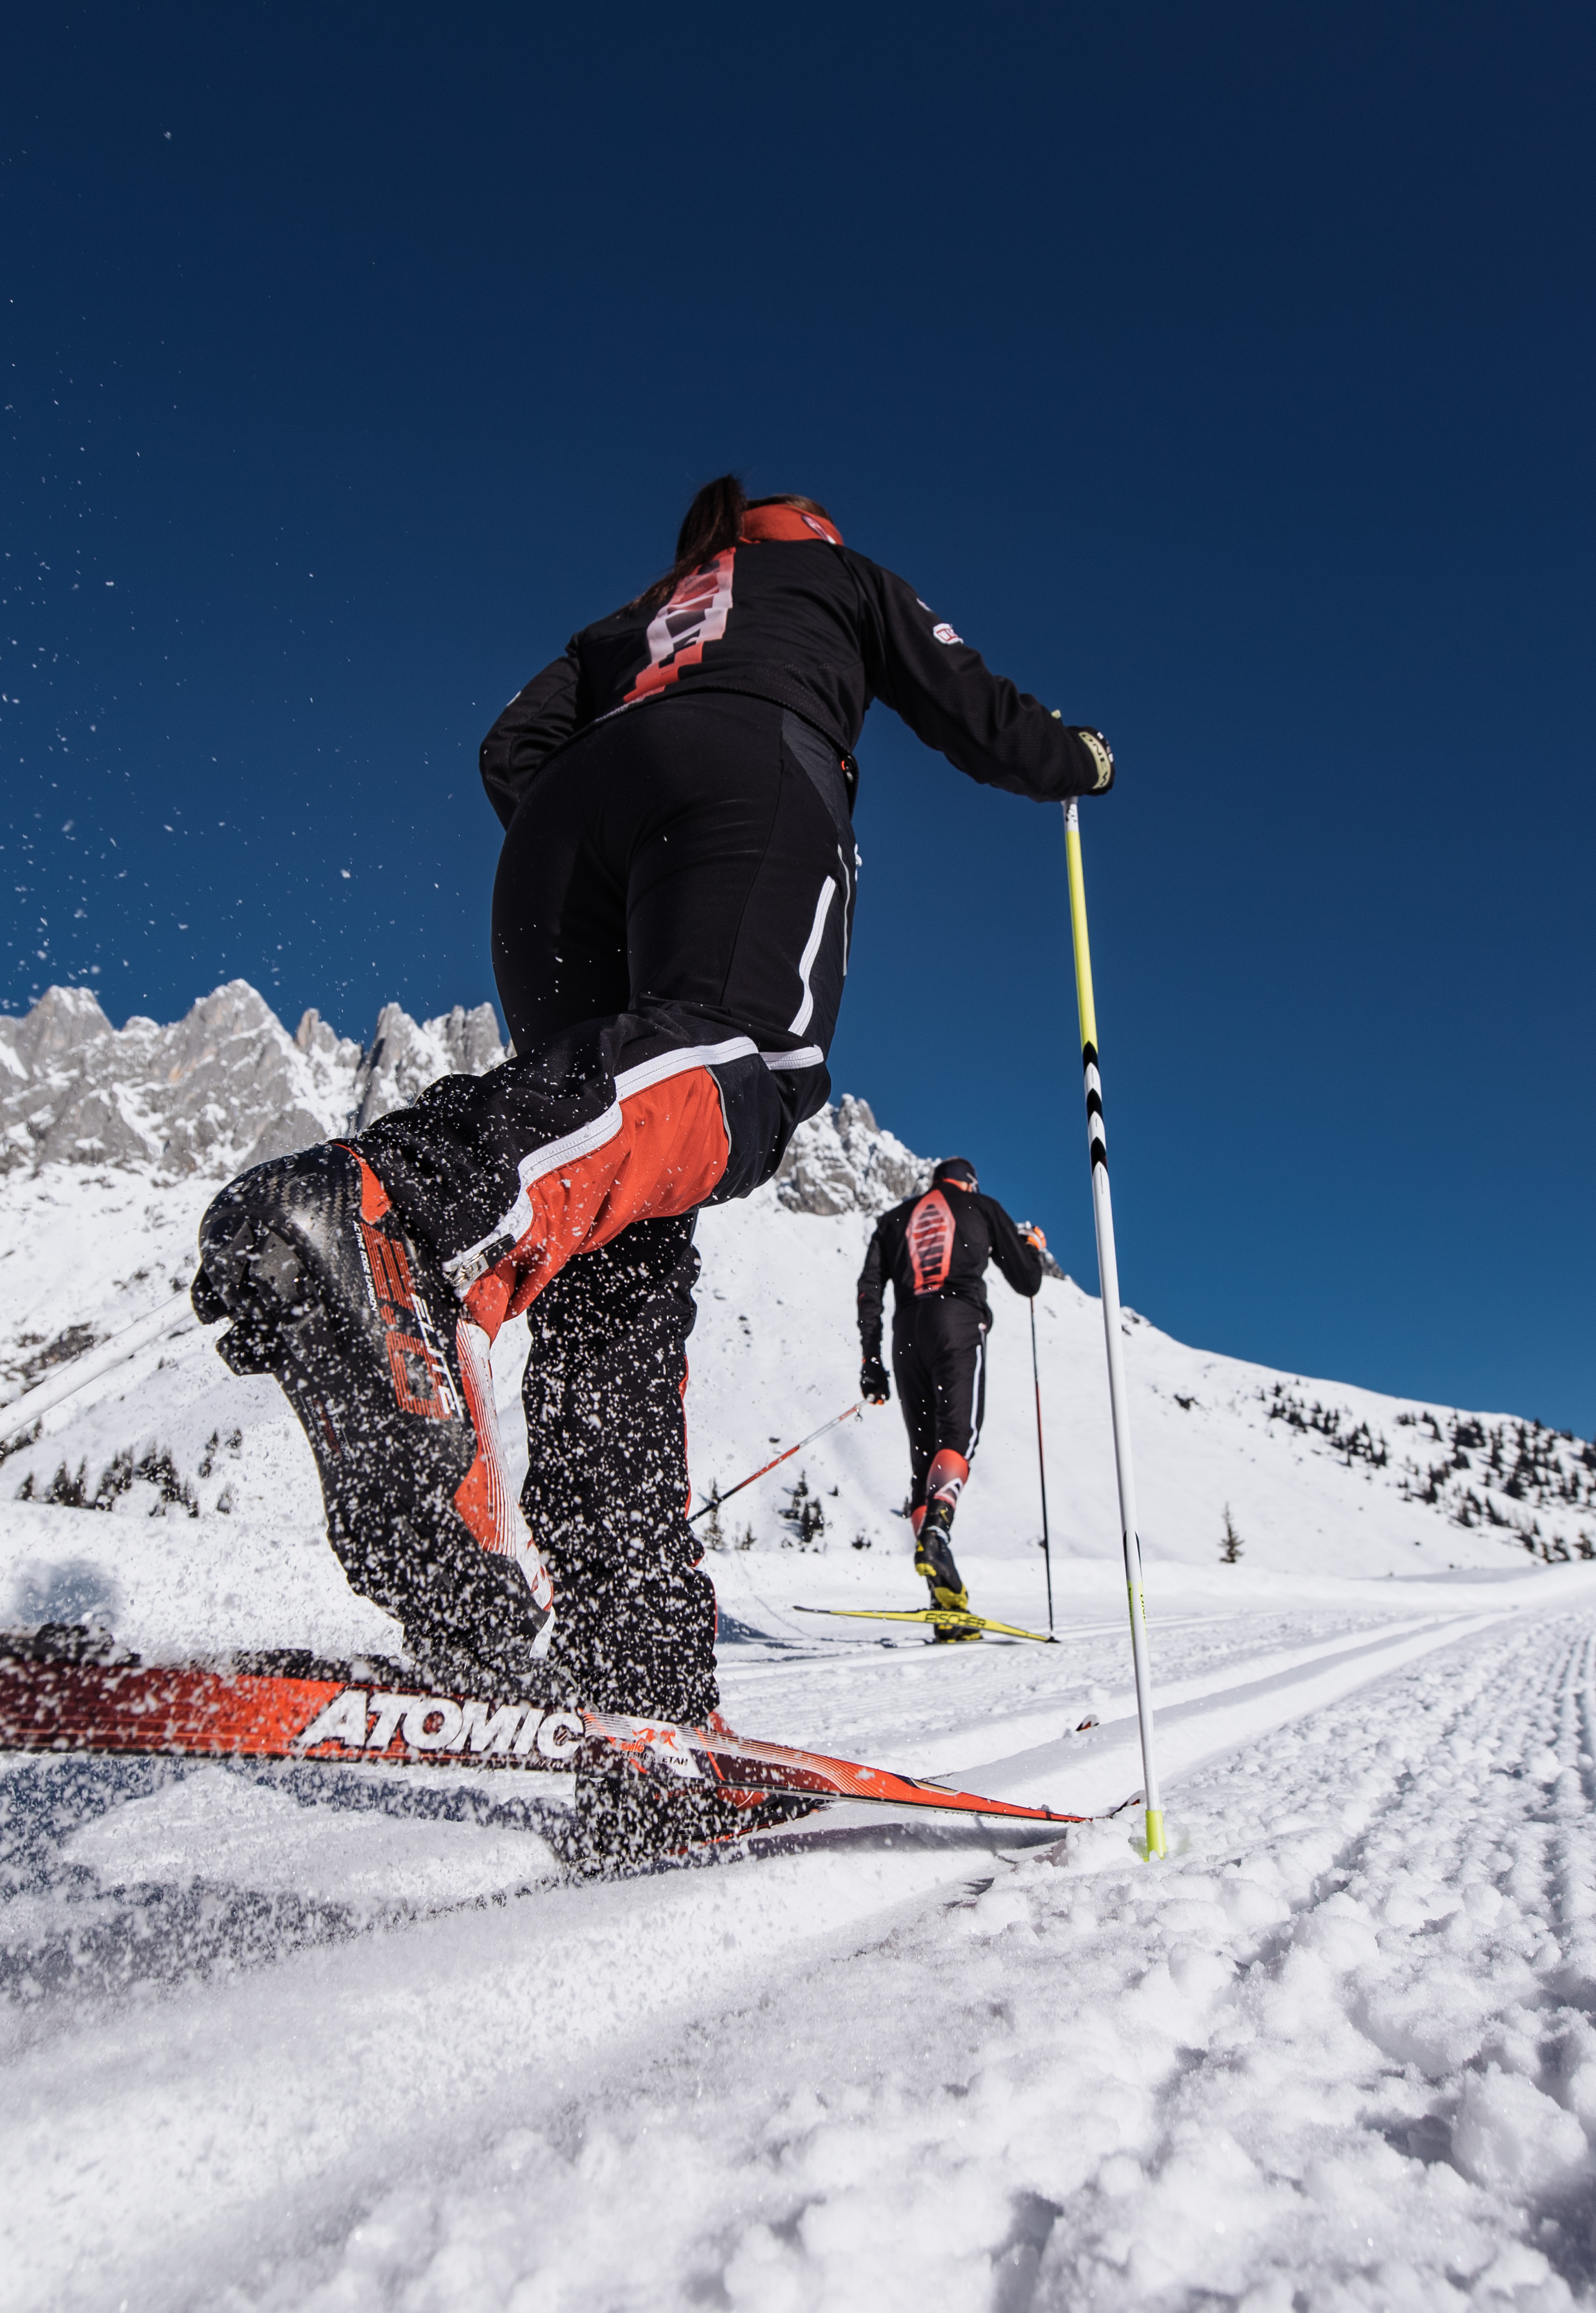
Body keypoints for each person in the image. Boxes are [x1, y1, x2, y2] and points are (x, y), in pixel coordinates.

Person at [190, 476, 1111, 1859]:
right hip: (742, 777)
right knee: (748, 1064)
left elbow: (511, 746)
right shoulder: (838, 579)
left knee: (614, 1217)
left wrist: (598, 827)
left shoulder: (632, 617)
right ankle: (396, 1213)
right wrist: (1079, 761)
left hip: (554, 844)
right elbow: (972, 707)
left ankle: (646, 1711)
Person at [856, 1158, 1049, 1637]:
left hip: (907, 1333)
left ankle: (945, 1599)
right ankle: (938, 1534)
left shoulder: (893, 1219)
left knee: (923, 1463)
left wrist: (871, 1361)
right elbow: (1027, 1281)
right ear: (970, 1184)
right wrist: (1032, 1247)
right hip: (957, 1321)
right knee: (958, 1438)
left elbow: (869, 1290)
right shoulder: (983, 1207)